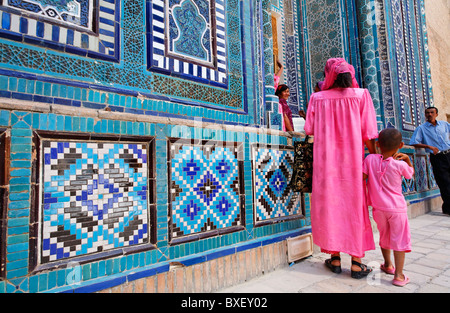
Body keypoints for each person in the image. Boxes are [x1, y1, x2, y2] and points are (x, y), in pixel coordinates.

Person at [304, 58, 378, 279]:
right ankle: (356, 262)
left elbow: (309, 129)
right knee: (355, 207)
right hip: (352, 165)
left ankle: (334, 257)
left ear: (329, 75)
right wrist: (375, 159)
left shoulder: (316, 98)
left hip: (325, 165)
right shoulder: (362, 95)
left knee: (330, 207)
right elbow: (369, 133)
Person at [363, 128, 414, 286]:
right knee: (400, 240)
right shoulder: (400, 164)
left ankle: (387, 264)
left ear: (378, 144)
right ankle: (399, 276)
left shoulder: (370, 159)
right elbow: (410, 174)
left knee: (384, 236)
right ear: (401, 145)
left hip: (379, 209)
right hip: (397, 209)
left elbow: (362, 177)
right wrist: (407, 160)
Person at [409, 107, 450, 215]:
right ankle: (448, 208)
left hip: (449, 154)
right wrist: (429, 146)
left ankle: (447, 207)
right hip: (437, 157)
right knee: (444, 182)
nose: (429, 114)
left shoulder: (444, 124)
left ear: (436, 114)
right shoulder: (421, 129)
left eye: (432, 112)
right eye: (427, 113)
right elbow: (413, 142)